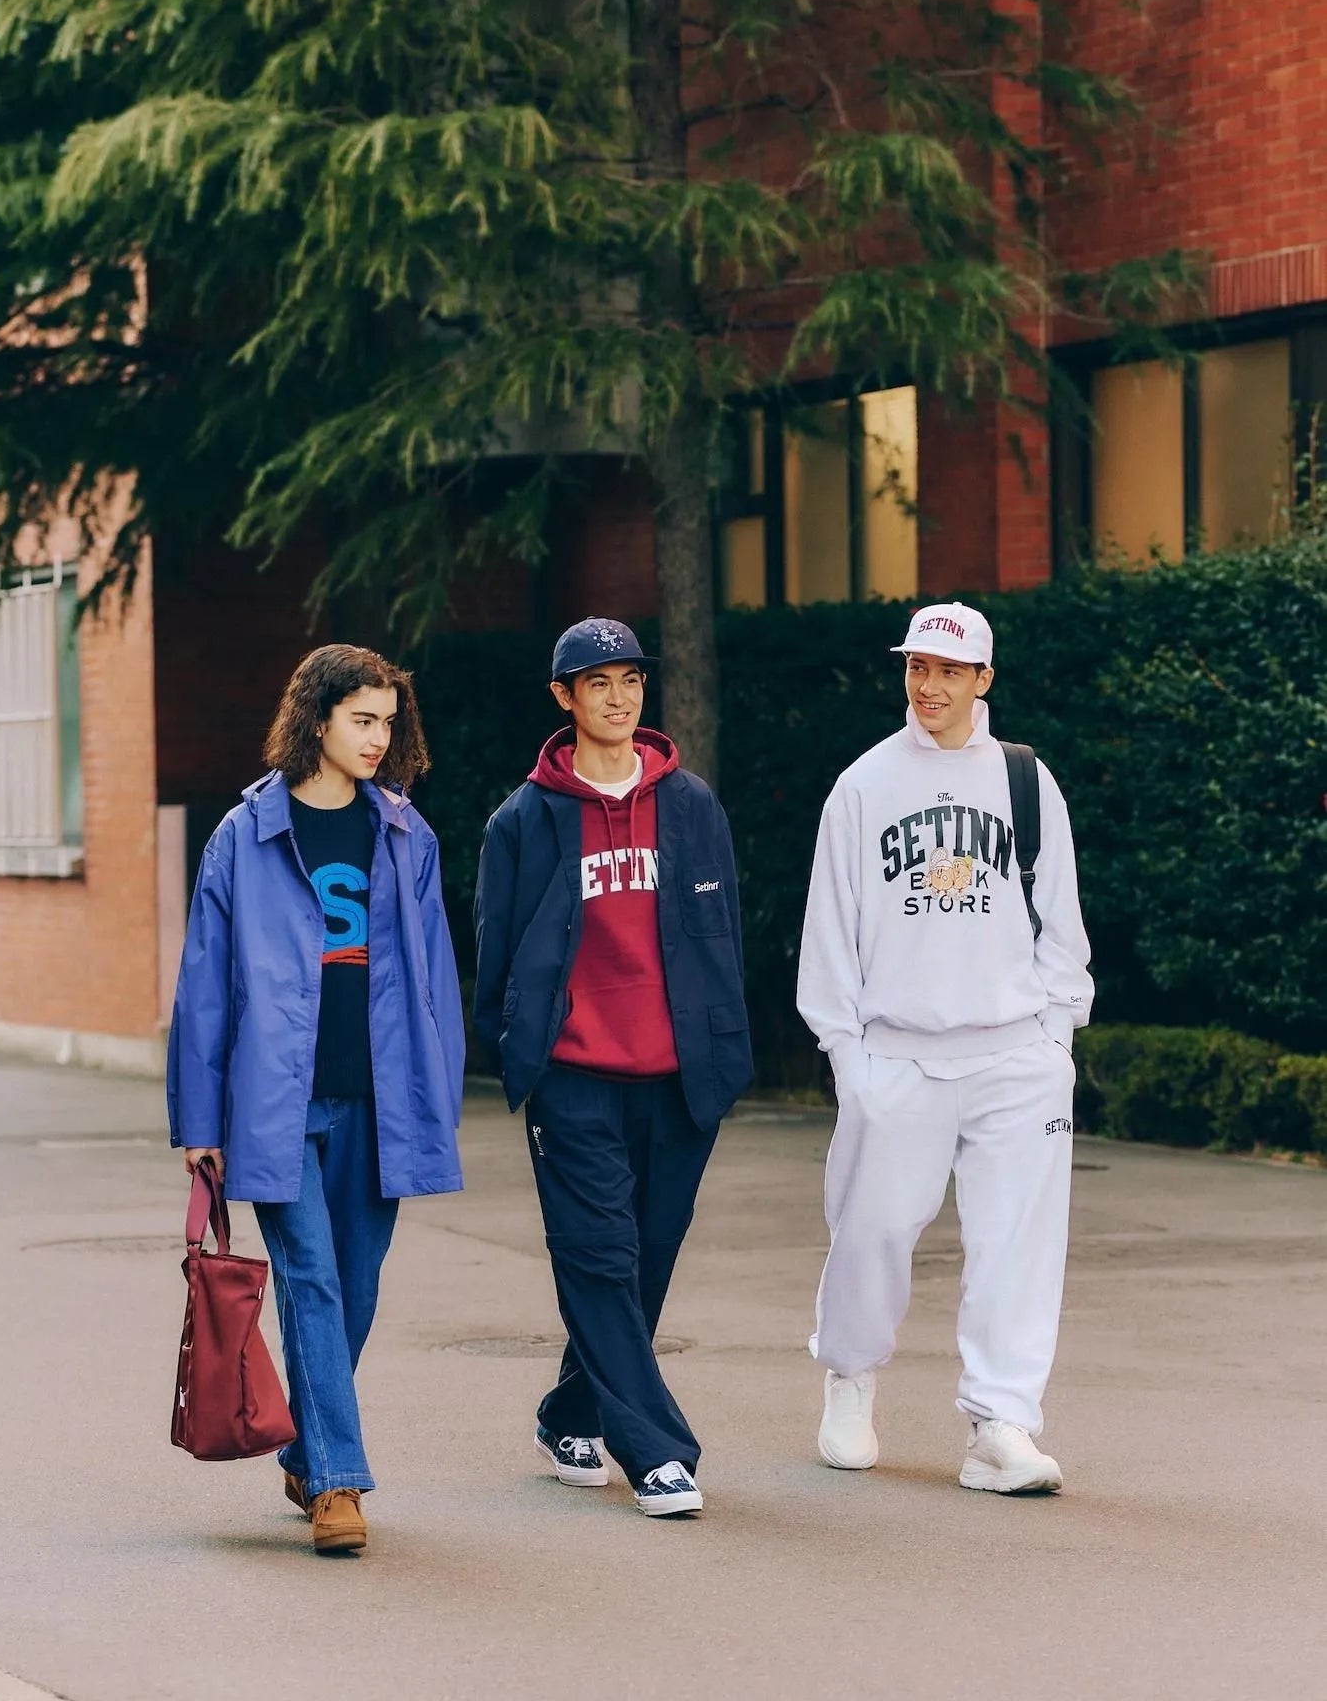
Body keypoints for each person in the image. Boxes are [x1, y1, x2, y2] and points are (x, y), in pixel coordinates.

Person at [167, 644, 464, 1554]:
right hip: (277, 1101)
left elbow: (437, 980)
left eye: (387, 722)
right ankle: (338, 1482)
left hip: (380, 1097)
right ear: (317, 719)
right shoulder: (245, 835)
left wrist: (439, 1093)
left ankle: (304, 1448)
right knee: (311, 1277)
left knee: (356, 1287)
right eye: (361, 719)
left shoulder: (406, 834)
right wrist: (200, 1120)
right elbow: (204, 985)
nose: (377, 738)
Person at [797, 601, 1093, 1494]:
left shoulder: (1027, 781)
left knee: (1018, 1247)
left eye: (949, 671)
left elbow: (1061, 923)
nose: (929, 685)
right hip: (898, 1053)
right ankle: (850, 1376)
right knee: (872, 1232)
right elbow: (829, 931)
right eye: (917, 666)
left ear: (983, 679)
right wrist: (850, 1060)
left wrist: (1055, 1038)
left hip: (1015, 1056)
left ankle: (1001, 1423)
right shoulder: (863, 785)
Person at [474, 617, 752, 1519]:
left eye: (631, 679)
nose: (620, 696)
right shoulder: (524, 820)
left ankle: (570, 1414)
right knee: (598, 1256)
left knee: (645, 1262)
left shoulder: (691, 805)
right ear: (565, 697)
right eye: (598, 682)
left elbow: (722, 938)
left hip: (679, 1078)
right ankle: (659, 1452)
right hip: (573, 1077)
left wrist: (724, 1052)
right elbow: (496, 953)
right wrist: (517, 1055)